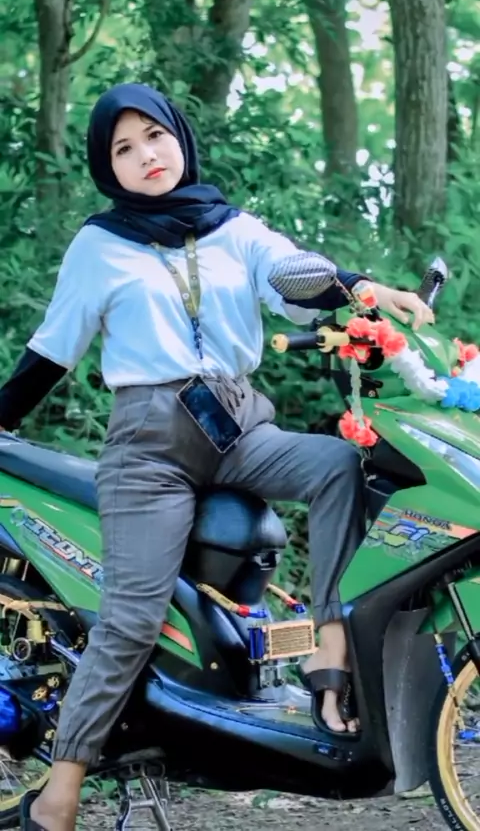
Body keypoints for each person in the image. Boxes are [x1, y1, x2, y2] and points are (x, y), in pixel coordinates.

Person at [0, 83, 433, 831]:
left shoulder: (234, 230)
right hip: (148, 449)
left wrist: (360, 286)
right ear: (108, 168)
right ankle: (60, 791)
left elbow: (293, 273)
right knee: (130, 618)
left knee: (342, 467)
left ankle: (328, 650)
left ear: (180, 138)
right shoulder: (99, 245)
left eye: (155, 136)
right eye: (124, 149)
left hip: (241, 429)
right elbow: (52, 351)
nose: (146, 155)